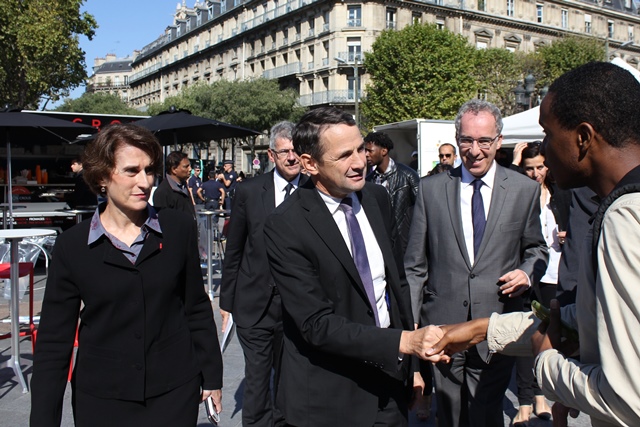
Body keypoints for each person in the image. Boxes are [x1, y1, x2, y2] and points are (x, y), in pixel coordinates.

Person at [427, 61, 640, 427]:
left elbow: (627, 398)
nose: (541, 149)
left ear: (583, 138)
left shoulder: (625, 217)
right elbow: (595, 320)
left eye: (547, 134)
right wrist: (483, 330)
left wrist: (547, 363)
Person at [30, 124, 223, 426]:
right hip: (103, 398)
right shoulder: (72, 246)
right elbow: (55, 341)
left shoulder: (178, 228)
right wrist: (44, 418)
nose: (144, 182)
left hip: (173, 391)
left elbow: (195, 307)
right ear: (102, 176)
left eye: (149, 170)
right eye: (132, 171)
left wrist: (212, 376)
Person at [263, 107, 444, 427]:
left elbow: (397, 286)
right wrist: (403, 343)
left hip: (390, 383)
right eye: (345, 155)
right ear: (309, 164)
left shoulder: (376, 198)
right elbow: (315, 324)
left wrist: (413, 367)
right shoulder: (285, 225)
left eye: (361, 148)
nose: (360, 161)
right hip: (328, 396)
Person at [404, 99, 548, 427]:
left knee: (485, 410)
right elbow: (415, 265)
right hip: (443, 326)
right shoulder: (430, 190)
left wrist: (526, 273)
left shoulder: (524, 191)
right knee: (451, 414)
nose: (475, 150)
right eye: (467, 140)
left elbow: (537, 250)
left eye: (484, 141)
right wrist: (412, 323)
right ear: (457, 140)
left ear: (499, 141)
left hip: (496, 325)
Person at [220, 121, 305, 427]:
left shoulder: (312, 191)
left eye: (296, 151)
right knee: (257, 378)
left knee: (287, 378)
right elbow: (236, 249)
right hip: (254, 302)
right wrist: (226, 302)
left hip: (296, 307)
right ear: (272, 155)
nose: (292, 158)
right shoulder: (249, 191)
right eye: (285, 152)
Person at [512, 141, 571, 426]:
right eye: (528, 168)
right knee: (525, 336)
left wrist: (566, 235)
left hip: (554, 277)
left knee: (549, 340)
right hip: (527, 274)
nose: (535, 173)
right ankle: (525, 399)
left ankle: (540, 396)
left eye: (539, 167)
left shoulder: (561, 193)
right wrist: (513, 162)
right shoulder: (519, 194)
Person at [364, 131, 420, 254]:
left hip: (404, 245)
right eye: (365, 151)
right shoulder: (368, 180)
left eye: (370, 151)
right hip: (379, 244)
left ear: (384, 151)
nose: (366, 155)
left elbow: (421, 211)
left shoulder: (408, 176)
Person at [152, 151, 195, 219]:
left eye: (190, 166)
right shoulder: (163, 192)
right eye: (186, 167)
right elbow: (164, 222)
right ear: (174, 169)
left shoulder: (183, 186)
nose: (190, 169)